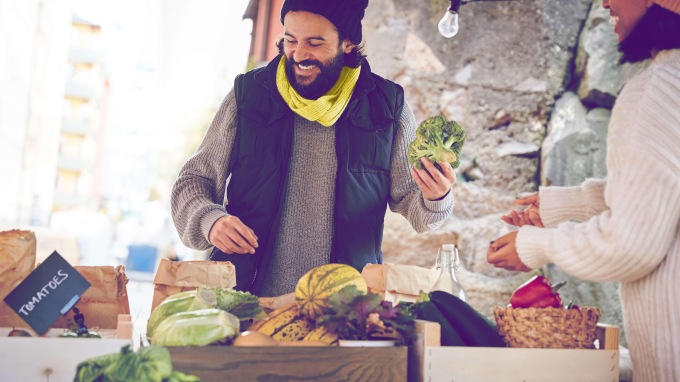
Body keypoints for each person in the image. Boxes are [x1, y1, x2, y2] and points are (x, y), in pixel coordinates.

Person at [171, 0, 456, 297]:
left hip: (343, 309)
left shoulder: (387, 107)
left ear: (348, 42)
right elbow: (193, 181)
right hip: (244, 302)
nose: (299, 54)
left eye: (315, 43)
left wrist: (437, 197)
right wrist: (211, 220)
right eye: (290, 40)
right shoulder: (249, 95)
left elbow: (416, 205)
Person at [487, 0, 680, 380]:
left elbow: (630, 244)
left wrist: (535, 246)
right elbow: (661, 189)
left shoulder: (656, 90)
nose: (605, 1)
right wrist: (565, 204)